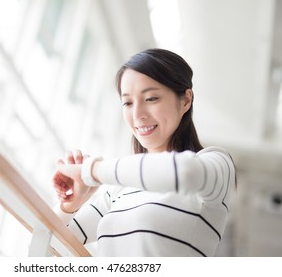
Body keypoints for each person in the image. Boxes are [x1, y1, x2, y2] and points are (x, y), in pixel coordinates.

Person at [52, 48, 236, 257]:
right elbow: (50, 246)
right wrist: (71, 202)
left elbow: (182, 171)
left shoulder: (215, 163)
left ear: (185, 100)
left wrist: (91, 171)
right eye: (128, 102)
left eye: (151, 98)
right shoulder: (119, 190)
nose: (137, 114)